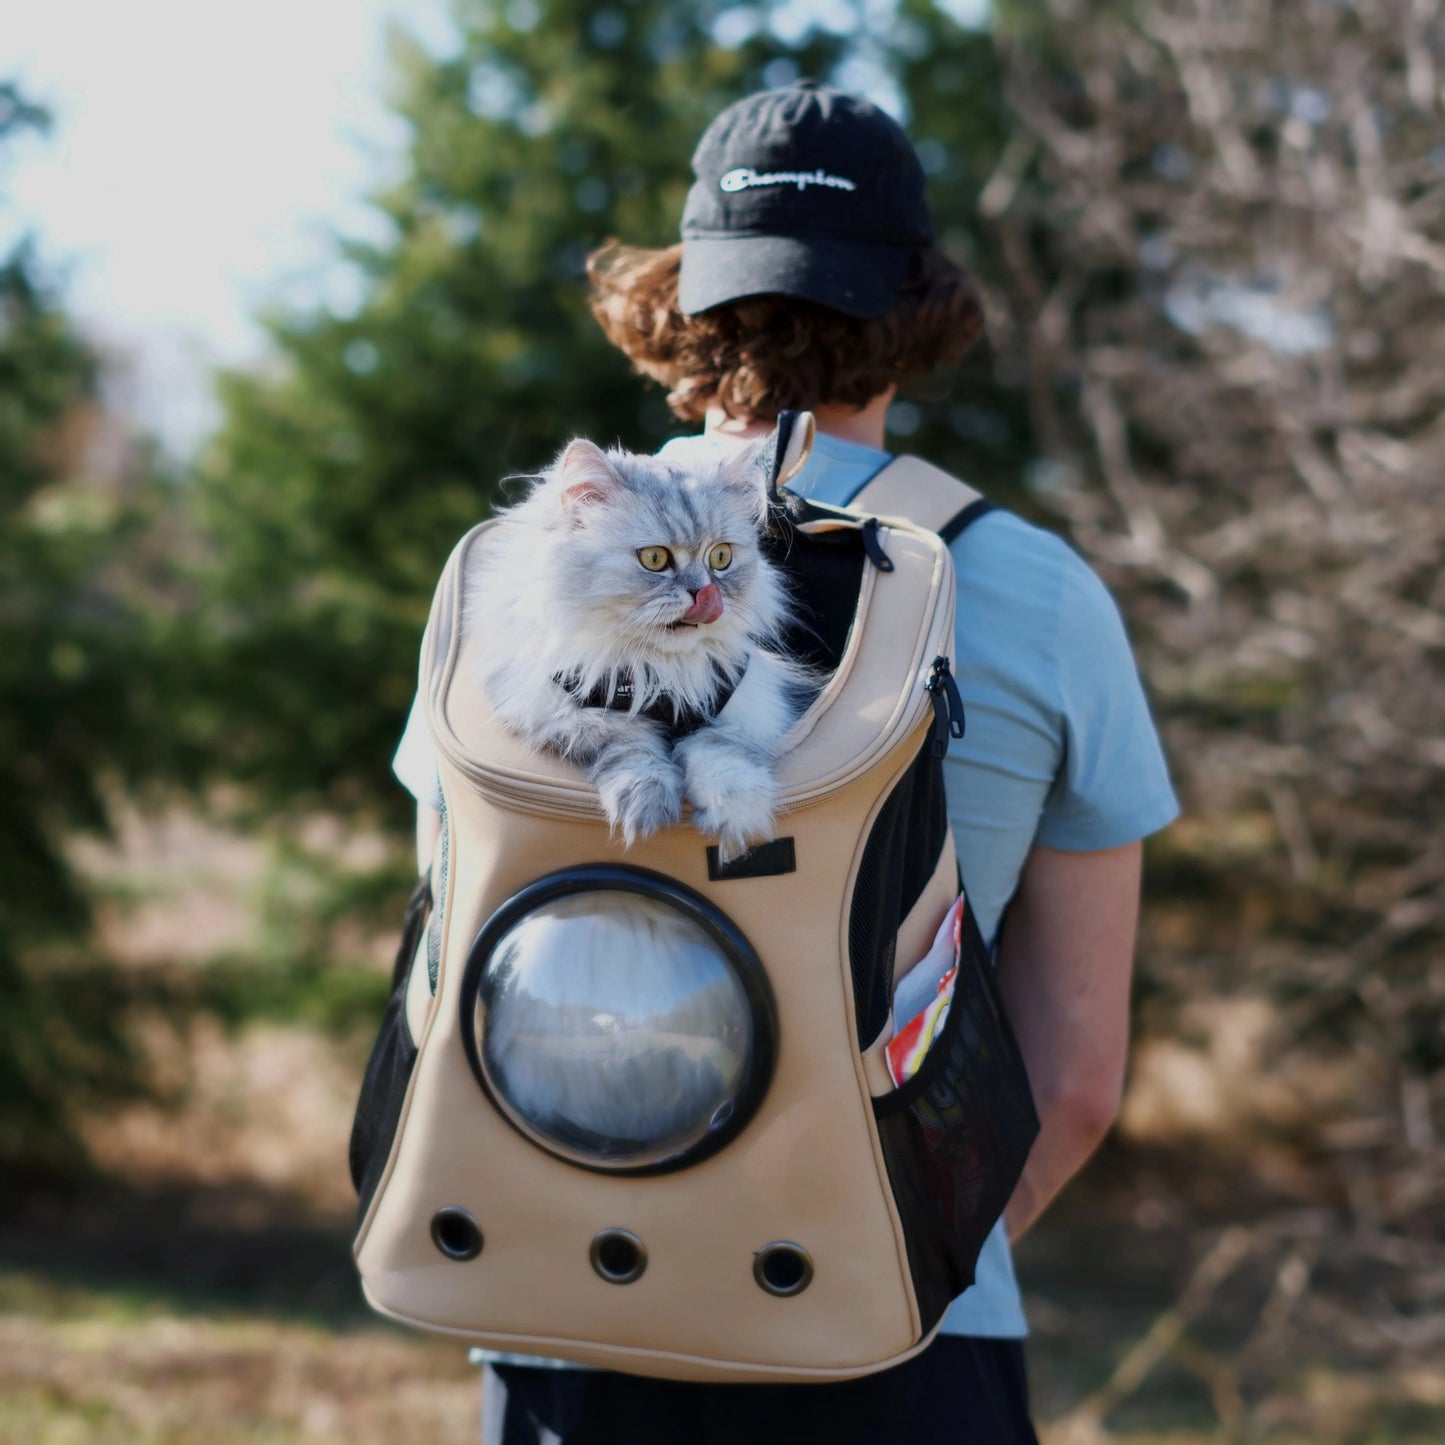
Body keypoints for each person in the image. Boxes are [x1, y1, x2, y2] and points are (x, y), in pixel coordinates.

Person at [392, 81, 1178, 1445]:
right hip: (895, 1330)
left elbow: (448, 948)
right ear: (914, 307)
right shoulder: (1037, 594)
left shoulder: (515, 579)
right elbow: (1076, 1080)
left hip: (567, 1303)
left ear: (680, 303)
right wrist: (903, 1262)